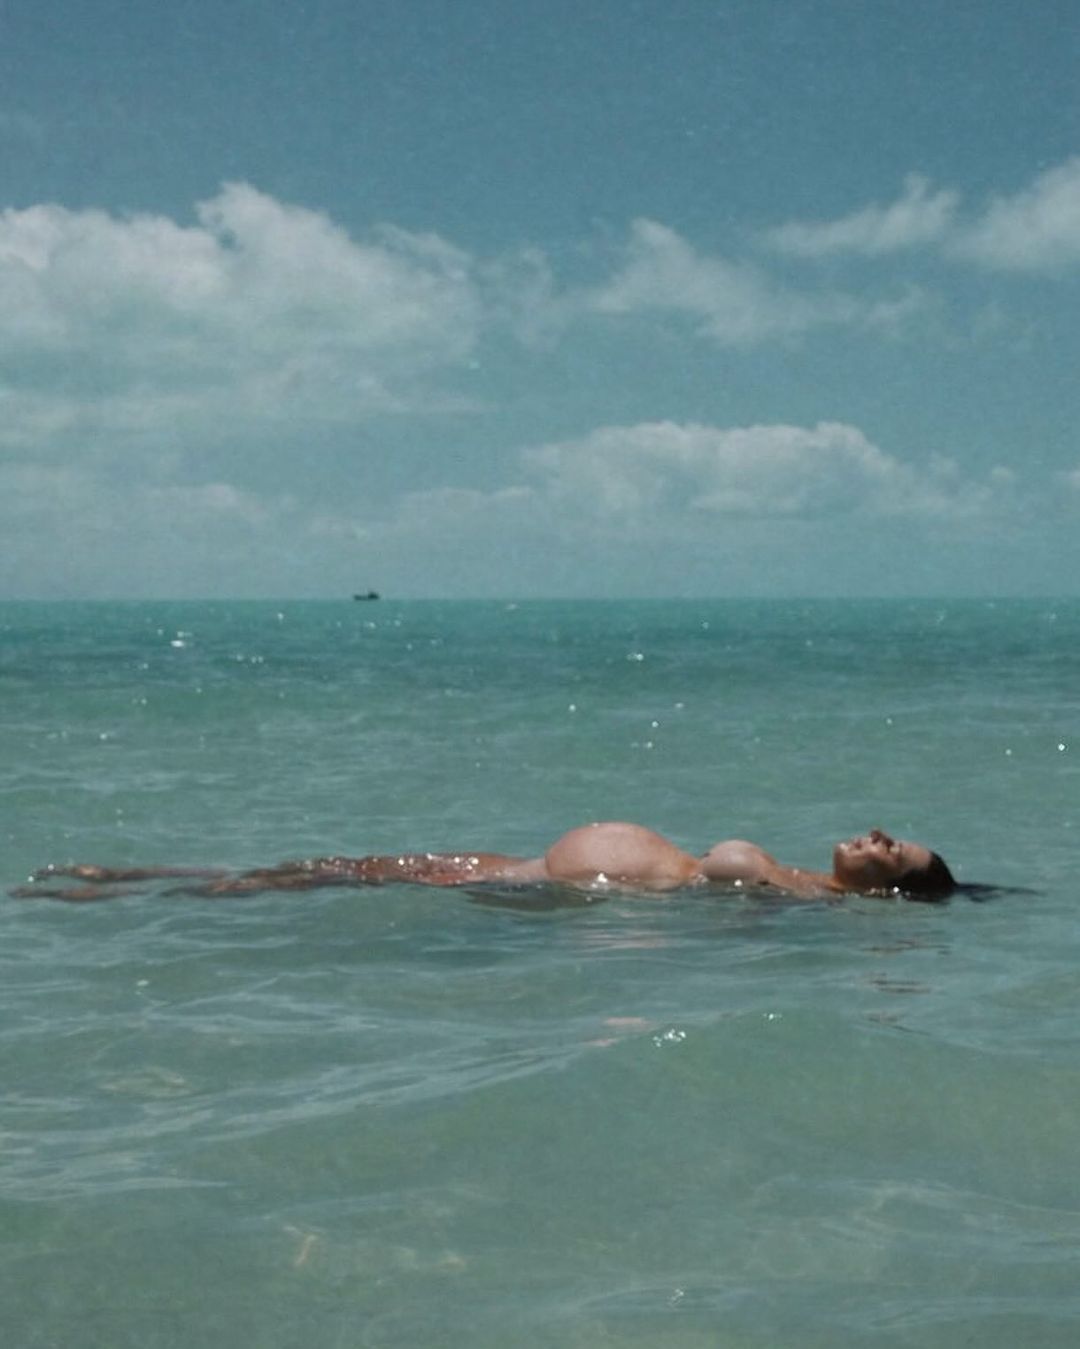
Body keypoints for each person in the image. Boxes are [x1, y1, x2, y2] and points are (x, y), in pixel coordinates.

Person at [13, 823, 956, 902]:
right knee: (348, 865)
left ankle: (111, 896)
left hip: (546, 886)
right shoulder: (802, 887)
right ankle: (136, 879)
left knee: (335, 880)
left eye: (892, 850)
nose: (877, 835)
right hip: (531, 866)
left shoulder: (812, 904)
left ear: (895, 890)